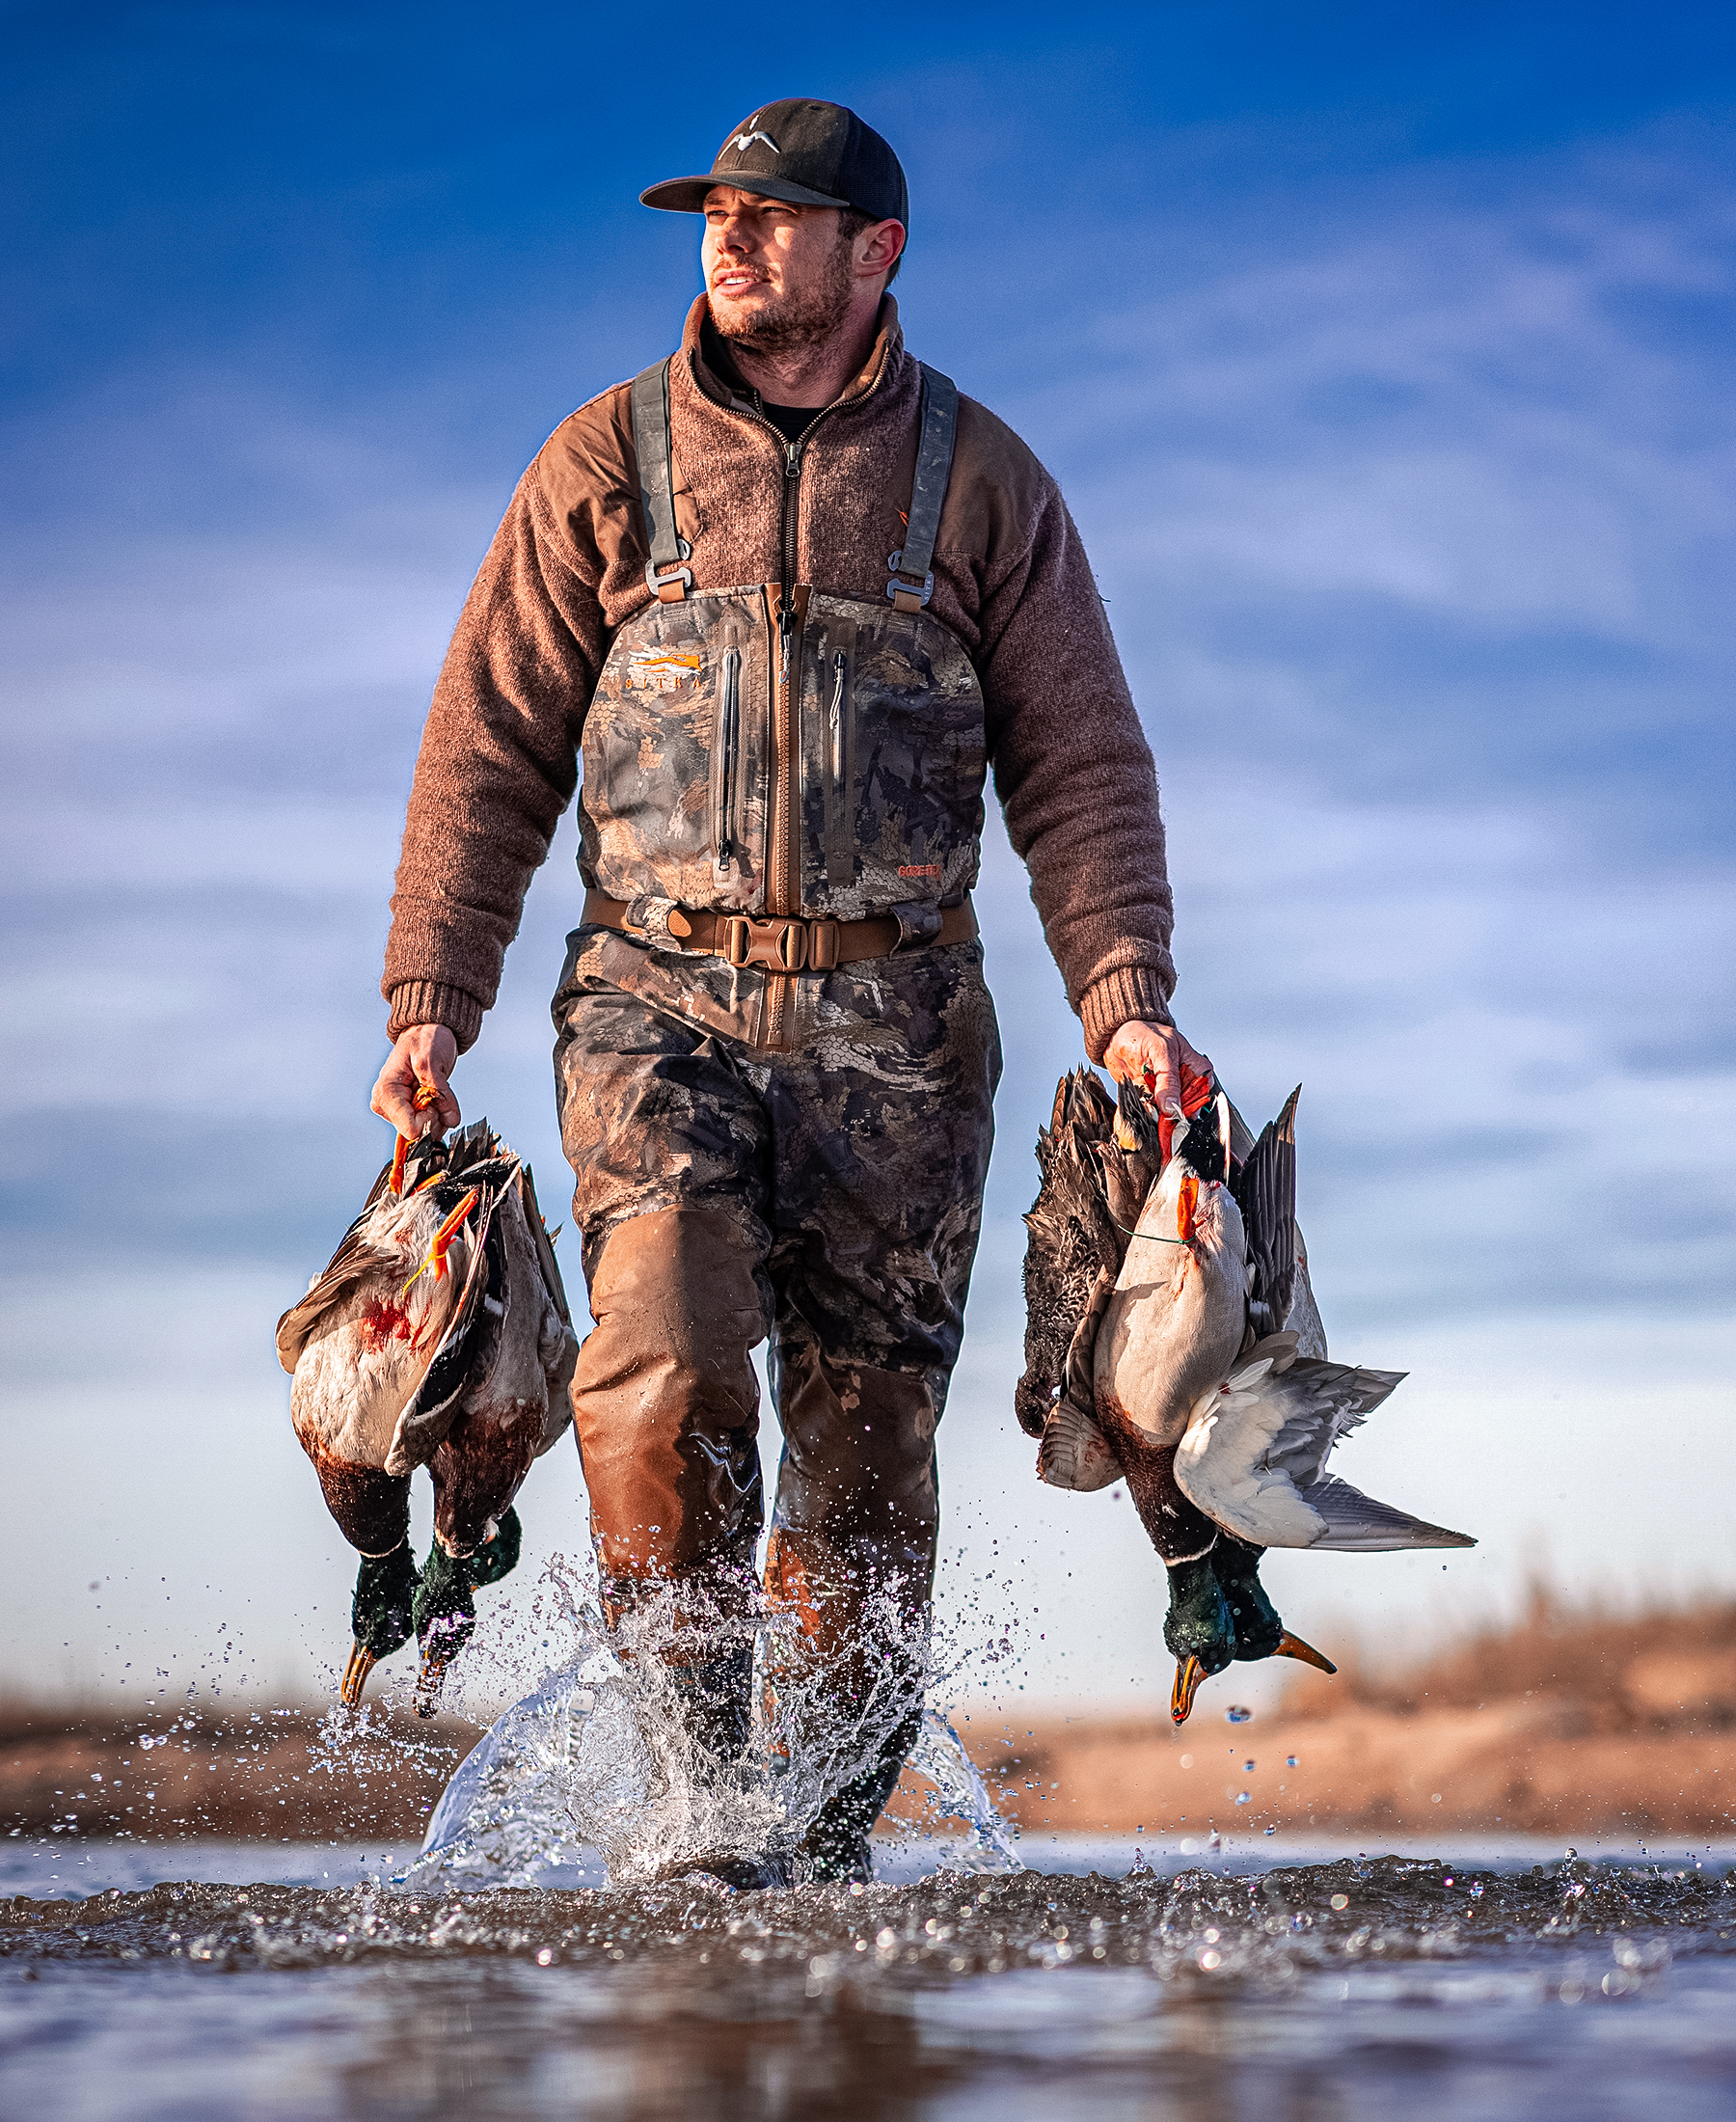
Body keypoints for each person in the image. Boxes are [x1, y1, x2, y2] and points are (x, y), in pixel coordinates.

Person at [370, 97, 1207, 1884]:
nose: (730, 241)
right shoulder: (604, 462)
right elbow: (485, 748)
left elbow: (1080, 762)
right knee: (660, 1365)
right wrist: (429, 999)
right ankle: (695, 1808)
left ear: (875, 251)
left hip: (902, 1043)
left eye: (773, 216)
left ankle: (819, 1842)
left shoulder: (981, 481)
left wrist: (1123, 992)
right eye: (715, 215)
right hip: (652, 1008)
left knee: (869, 1451)